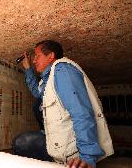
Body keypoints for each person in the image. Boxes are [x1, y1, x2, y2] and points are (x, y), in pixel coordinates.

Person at [12, 40, 113, 168]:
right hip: (58, 144)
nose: (34, 60)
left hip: (72, 151)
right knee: (24, 136)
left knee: (21, 143)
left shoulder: (63, 70)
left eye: (37, 56)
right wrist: (27, 69)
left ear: (51, 56)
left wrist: (86, 157)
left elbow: (81, 112)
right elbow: (37, 93)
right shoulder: (47, 80)